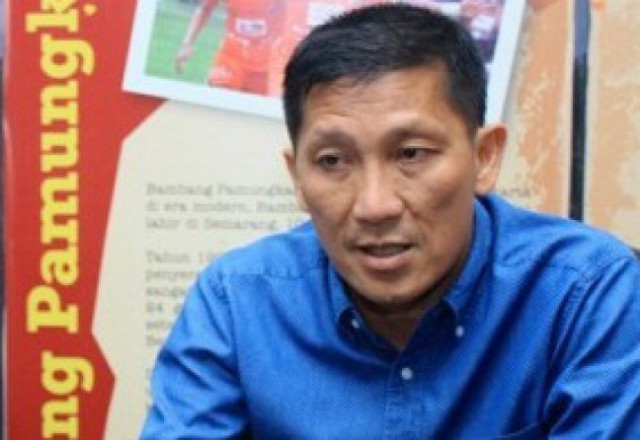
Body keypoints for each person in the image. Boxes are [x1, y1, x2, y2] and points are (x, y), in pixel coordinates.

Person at [142, 4, 640, 438]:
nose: (374, 206)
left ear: (484, 157)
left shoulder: (586, 292)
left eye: (411, 153)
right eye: (333, 161)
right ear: (297, 178)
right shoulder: (235, 301)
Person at [175, 0, 287, 95]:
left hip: (266, 61)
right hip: (232, 55)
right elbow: (205, 8)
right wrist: (187, 43)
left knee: (254, 110)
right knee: (216, 101)